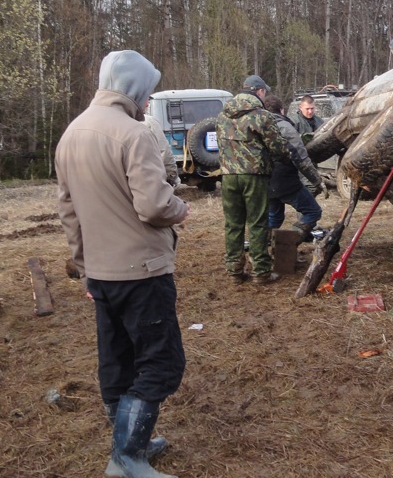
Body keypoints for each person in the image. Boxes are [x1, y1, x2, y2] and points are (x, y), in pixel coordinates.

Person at [56, 49, 190, 478]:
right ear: (133, 88)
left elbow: (69, 213)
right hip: (142, 271)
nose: (148, 101)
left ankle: (132, 443)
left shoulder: (71, 133)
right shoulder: (133, 134)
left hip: (101, 273)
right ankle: (127, 458)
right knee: (161, 362)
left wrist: (85, 268)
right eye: (147, 92)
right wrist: (181, 208)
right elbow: (154, 206)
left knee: (117, 360)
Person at [215, 75, 293, 285]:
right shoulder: (262, 116)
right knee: (257, 223)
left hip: (228, 176)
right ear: (259, 91)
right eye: (264, 92)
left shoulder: (222, 115)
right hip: (254, 175)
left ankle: (234, 270)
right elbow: (277, 147)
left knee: (233, 224)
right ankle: (261, 271)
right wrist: (287, 158)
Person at [262, 94, 325, 241]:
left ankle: (262, 245)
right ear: (282, 110)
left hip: (266, 181)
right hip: (285, 181)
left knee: (274, 217)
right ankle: (288, 242)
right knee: (313, 211)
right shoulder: (286, 127)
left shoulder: (257, 126)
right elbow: (300, 158)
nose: (310, 111)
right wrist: (317, 181)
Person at [144, 103, 179, 187]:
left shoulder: (112, 121)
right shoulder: (148, 121)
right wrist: (172, 176)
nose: (147, 104)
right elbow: (164, 151)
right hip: (147, 179)